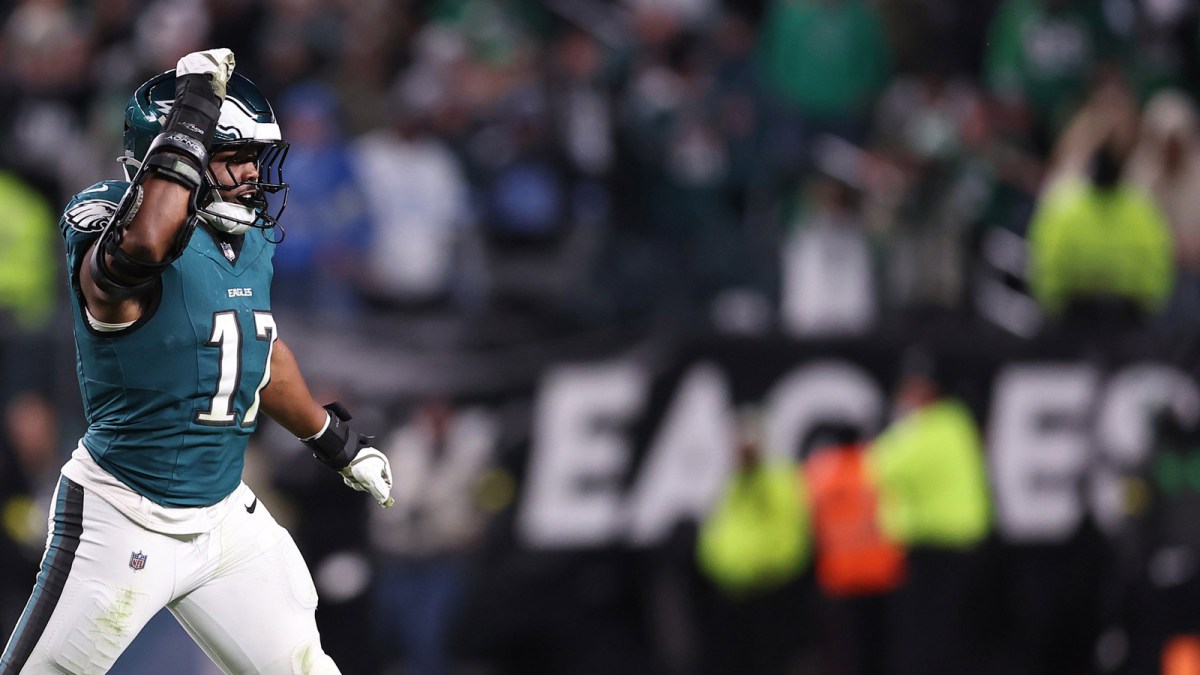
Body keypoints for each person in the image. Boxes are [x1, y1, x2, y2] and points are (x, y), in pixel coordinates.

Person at [0, 49, 394, 674]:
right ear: (167, 152)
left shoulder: (248, 239)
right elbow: (144, 247)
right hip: (125, 514)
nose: (249, 176)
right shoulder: (107, 220)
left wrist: (332, 439)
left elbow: (258, 344)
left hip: (222, 518)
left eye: (252, 159)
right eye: (231, 156)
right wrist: (193, 110)